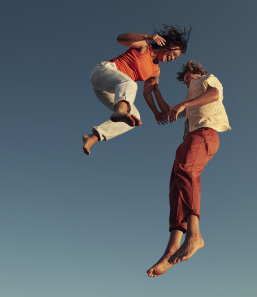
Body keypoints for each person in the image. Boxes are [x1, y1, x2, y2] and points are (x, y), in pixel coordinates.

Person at [147, 60, 231, 277]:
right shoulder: (189, 98)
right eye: (184, 79)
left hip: (206, 133)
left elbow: (214, 95)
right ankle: (171, 249)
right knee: (175, 187)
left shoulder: (206, 79)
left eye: (188, 76)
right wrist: (156, 90)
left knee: (186, 170)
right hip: (190, 139)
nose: (186, 80)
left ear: (197, 72)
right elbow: (168, 111)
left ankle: (195, 236)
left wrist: (184, 105)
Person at [82, 25, 191, 155]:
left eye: (176, 57)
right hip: (103, 72)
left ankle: (94, 137)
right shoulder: (145, 46)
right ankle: (120, 111)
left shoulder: (156, 71)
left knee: (134, 118)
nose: (173, 57)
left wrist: (156, 112)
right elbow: (120, 39)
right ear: (168, 44)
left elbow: (148, 93)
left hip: (109, 90)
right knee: (130, 83)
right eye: (173, 53)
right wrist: (148, 37)